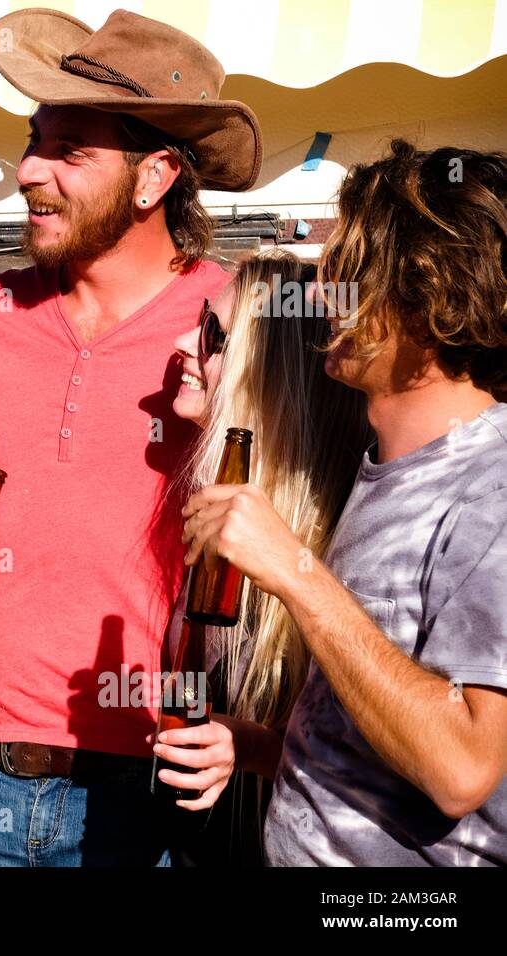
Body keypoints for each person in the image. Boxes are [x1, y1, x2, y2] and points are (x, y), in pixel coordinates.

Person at [0, 8, 262, 867]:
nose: (29, 171)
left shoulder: (241, 323)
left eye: (70, 150)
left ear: (155, 177)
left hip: (153, 797)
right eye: (34, 142)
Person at [184, 141, 507, 865]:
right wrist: (265, 748)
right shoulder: (388, 471)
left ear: (430, 295)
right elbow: (381, 728)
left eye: (353, 273)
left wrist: (296, 573)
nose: (326, 292)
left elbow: (461, 768)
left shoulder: (492, 490)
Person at [149, 251, 370, 865]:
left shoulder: (341, 536)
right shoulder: (217, 506)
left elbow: (375, 749)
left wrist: (245, 747)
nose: (181, 341)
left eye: (213, 333)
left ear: (266, 366)